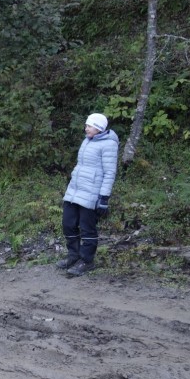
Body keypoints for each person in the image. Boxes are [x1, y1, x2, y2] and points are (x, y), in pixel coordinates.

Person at [58, 113, 119, 276]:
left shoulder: (108, 144)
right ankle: (73, 256)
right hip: (75, 190)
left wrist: (104, 197)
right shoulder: (88, 140)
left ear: (99, 128)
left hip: (92, 193)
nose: (86, 128)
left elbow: (110, 172)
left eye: (89, 126)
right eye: (86, 125)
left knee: (87, 228)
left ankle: (87, 261)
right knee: (68, 223)